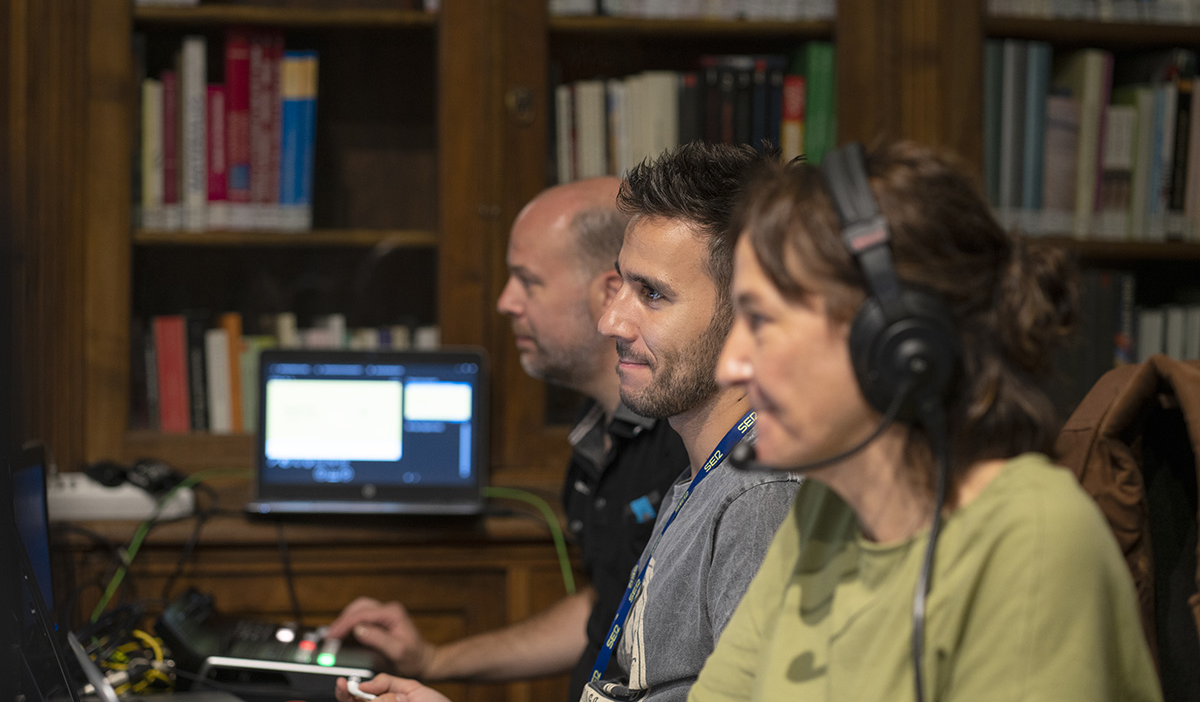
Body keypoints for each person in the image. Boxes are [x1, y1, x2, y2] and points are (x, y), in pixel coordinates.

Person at [689, 140, 1163, 701]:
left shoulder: (1032, 537)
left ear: (895, 343)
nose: (729, 366)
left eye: (761, 321)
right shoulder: (825, 507)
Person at [336, 143, 802, 702]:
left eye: (652, 294)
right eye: (621, 286)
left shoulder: (760, 499)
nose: (611, 320)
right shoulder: (703, 479)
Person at [327, 177, 689, 702]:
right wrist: (434, 660)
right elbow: (611, 607)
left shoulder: (691, 445)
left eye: (527, 280)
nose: (504, 301)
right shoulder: (594, 440)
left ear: (610, 293)